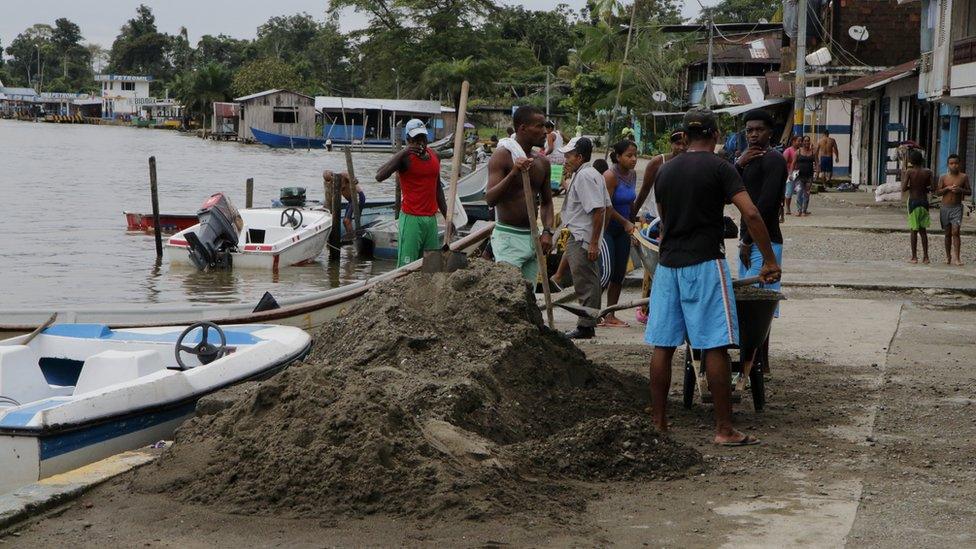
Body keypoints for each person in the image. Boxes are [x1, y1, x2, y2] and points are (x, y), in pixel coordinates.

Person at [646, 107, 781, 446]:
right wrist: (768, 260)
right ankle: (724, 429)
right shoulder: (721, 168)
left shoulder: (665, 170)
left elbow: (663, 222)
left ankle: (659, 422)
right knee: (715, 344)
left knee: (663, 345)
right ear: (716, 135)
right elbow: (749, 212)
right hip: (705, 263)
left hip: (668, 266)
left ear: (685, 137)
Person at [735, 109, 787, 388]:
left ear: (770, 133)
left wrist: (748, 240)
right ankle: (755, 363)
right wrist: (739, 164)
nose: (753, 134)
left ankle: (757, 364)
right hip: (746, 240)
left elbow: (765, 206)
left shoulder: (775, 160)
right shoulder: (747, 160)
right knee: (747, 307)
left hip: (764, 242)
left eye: (759, 130)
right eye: (749, 131)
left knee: (760, 307)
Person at [485, 106, 555, 282]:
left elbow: (547, 202)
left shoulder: (542, 163)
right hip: (508, 237)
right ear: (523, 128)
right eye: (539, 126)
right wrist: (514, 172)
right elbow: (490, 199)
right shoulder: (502, 156)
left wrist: (547, 231)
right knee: (509, 296)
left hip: (532, 237)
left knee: (527, 299)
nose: (544, 132)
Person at [375, 118, 448, 267]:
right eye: (415, 139)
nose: (420, 142)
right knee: (407, 266)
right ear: (408, 139)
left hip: (430, 219)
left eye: (422, 137)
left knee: (431, 265)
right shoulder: (405, 159)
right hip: (411, 218)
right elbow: (379, 176)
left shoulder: (435, 157)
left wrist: (448, 217)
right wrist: (403, 152)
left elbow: (438, 189)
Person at [559, 137, 611, 339]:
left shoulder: (585, 176)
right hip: (583, 235)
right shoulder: (589, 173)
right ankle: (587, 323)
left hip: (583, 237)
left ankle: (586, 325)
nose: (566, 160)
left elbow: (598, 210)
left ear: (579, 157)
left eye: (569, 156)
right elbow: (606, 207)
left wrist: (594, 241)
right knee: (587, 279)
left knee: (585, 281)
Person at [632, 130, 687, 324]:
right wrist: (631, 219)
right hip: (656, 222)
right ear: (671, 144)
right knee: (655, 269)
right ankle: (648, 308)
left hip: (682, 222)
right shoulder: (658, 163)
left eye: (683, 143)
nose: (680, 147)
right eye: (676, 143)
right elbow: (644, 191)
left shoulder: (692, 163)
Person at [598, 140, 639, 327]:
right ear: (618, 156)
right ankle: (593, 312)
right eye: (629, 156)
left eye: (635, 155)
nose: (634, 159)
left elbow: (630, 202)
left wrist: (635, 222)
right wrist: (625, 222)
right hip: (607, 228)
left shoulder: (632, 175)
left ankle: (610, 314)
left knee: (618, 274)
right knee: (605, 272)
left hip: (623, 231)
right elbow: (606, 206)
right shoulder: (609, 176)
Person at [937, 154, 971, 266]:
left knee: (956, 232)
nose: (954, 165)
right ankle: (948, 256)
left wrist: (960, 190)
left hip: (957, 207)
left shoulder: (964, 177)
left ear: (959, 164)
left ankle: (957, 258)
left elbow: (969, 192)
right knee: (947, 234)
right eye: (951, 163)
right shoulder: (943, 177)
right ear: (948, 165)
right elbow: (938, 192)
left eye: (956, 163)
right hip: (945, 208)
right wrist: (947, 188)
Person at [901, 149, 934, 264]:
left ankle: (914, 257)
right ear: (922, 160)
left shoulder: (909, 172)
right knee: (923, 230)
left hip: (913, 202)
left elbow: (904, 188)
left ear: (911, 161)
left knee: (913, 230)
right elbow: (932, 188)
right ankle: (926, 257)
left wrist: (912, 187)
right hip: (924, 202)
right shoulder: (928, 172)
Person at [323, 170, 365, 236]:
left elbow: (355, 180)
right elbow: (329, 198)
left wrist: (353, 180)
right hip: (350, 201)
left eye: (331, 179)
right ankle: (350, 235)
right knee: (344, 222)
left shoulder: (344, 175)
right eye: (328, 181)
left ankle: (352, 238)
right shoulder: (331, 183)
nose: (331, 182)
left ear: (332, 175)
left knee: (347, 221)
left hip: (357, 198)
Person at [794, 136, 816, 216]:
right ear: (802, 142)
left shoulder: (813, 152)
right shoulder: (798, 152)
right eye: (805, 141)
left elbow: (817, 162)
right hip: (799, 176)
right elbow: (793, 163)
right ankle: (799, 210)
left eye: (808, 141)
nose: (807, 142)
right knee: (799, 192)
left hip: (809, 176)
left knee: (807, 193)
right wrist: (790, 173)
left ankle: (804, 210)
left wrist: (817, 172)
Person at [544, 120, 566, 193]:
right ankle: (563, 188)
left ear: (550, 128)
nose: (545, 130)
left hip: (553, 157)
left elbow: (550, 148)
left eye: (546, 128)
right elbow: (568, 140)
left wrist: (544, 155)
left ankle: (565, 188)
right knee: (558, 174)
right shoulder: (560, 133)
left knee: (548, 172)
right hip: (561, 156)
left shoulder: (550, 135)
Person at [782, 135, 800, 217]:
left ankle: (801, 208)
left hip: (800, 173)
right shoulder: (788, 151)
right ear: (793, 141)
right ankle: (788, 208)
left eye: (801, 141)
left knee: (800, 191)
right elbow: (784, 163)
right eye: (798, 141)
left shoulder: (801, 151)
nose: (800, 142)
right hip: (791, 173)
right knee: (789, 191)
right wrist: (788, 174)